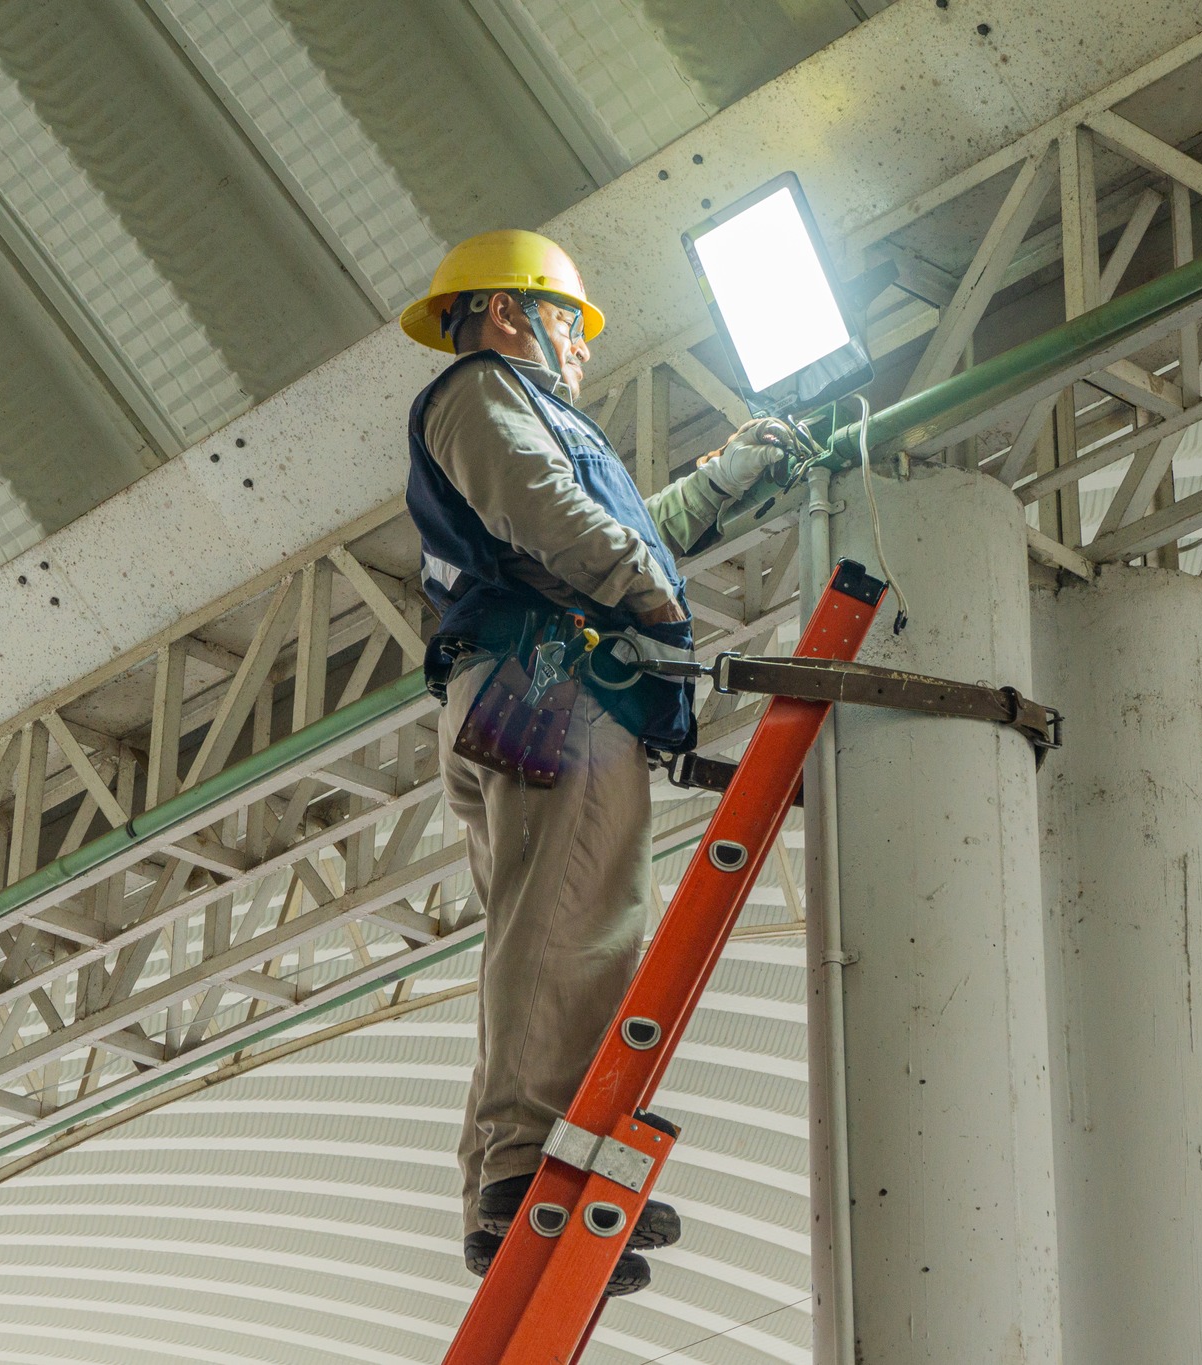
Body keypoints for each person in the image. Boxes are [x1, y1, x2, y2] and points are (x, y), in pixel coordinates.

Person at [400, 229, 793, 1296]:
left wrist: (723, 483)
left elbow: (599, 529)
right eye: (568, 322)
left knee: (539, 927)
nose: (577, 349)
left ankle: (504, 1179)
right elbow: (552, 514)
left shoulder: (515, 412)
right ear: (506, 311)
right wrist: (653, 598)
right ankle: (536, 1162)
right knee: (575, 920)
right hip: (555, 690)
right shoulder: (482, 390)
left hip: (526, 688)